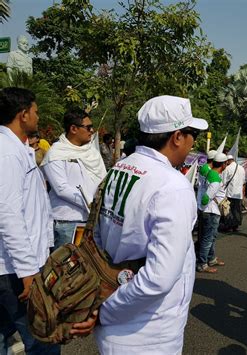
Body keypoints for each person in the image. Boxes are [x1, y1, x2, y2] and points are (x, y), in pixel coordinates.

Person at [69, 95, 209, 353]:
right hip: (146, 331)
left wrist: (100, 305)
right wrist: (106, 312)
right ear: (177, 136)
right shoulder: (172, 186)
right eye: (192, 136)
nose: (192, 144)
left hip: (116, 317)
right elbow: (158, 278)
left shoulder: (120, 168)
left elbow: (97, 241)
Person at [0, 87, 59, 354]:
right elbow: (8, 215)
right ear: (23, 115)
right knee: (43, 339)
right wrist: (27, 272)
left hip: (18, 264)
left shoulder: (17, 149)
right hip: (14, 270)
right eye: (35, 112)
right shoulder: (7, 154)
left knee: (8, 334)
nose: (38, 116)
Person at [41, 108, 107, 250]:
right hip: (68, 222)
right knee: (67, 268)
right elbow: (61, 189)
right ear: (73, 129)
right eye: (88, 127)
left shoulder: (92, 152)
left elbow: (103, 180)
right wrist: (90, 203)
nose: (92, 130)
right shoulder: (56, 153)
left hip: (92, 221)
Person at [196, 153, 228, 273]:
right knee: (208, 239)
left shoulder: (210, 172)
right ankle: (202, 264)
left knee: (211, 237)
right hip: (211, 212)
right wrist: (203, 207)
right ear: (223, 164)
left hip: (209, 211)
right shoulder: (215, 178)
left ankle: (211, 259)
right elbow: (206, 197)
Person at [221, 154, 246, 232]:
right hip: (238, 193)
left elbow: (223, 181)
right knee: (237, 210)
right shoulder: (242, 168)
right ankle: (236, 226)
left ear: (228, 161)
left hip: (230, 193)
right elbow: (243, 181)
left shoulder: (227, 168)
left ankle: (229, 226)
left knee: (229, 210)